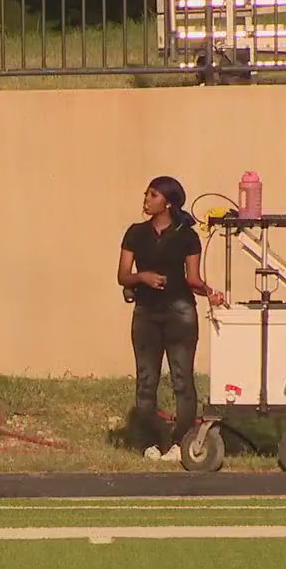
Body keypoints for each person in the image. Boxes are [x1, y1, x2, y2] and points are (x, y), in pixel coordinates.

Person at [117, 175, 224, 462]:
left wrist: (210, 292)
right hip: (146, 314)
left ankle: (182, 442)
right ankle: (148, 443)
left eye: (153, 195)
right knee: (146, 379)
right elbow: (123, 275)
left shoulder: (187, 236)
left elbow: (193, 279)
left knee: (182, 379)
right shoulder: (135, 233)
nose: (146, 199)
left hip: (180, 313)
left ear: (168, 202)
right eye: (146, 194)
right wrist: (142, 277)